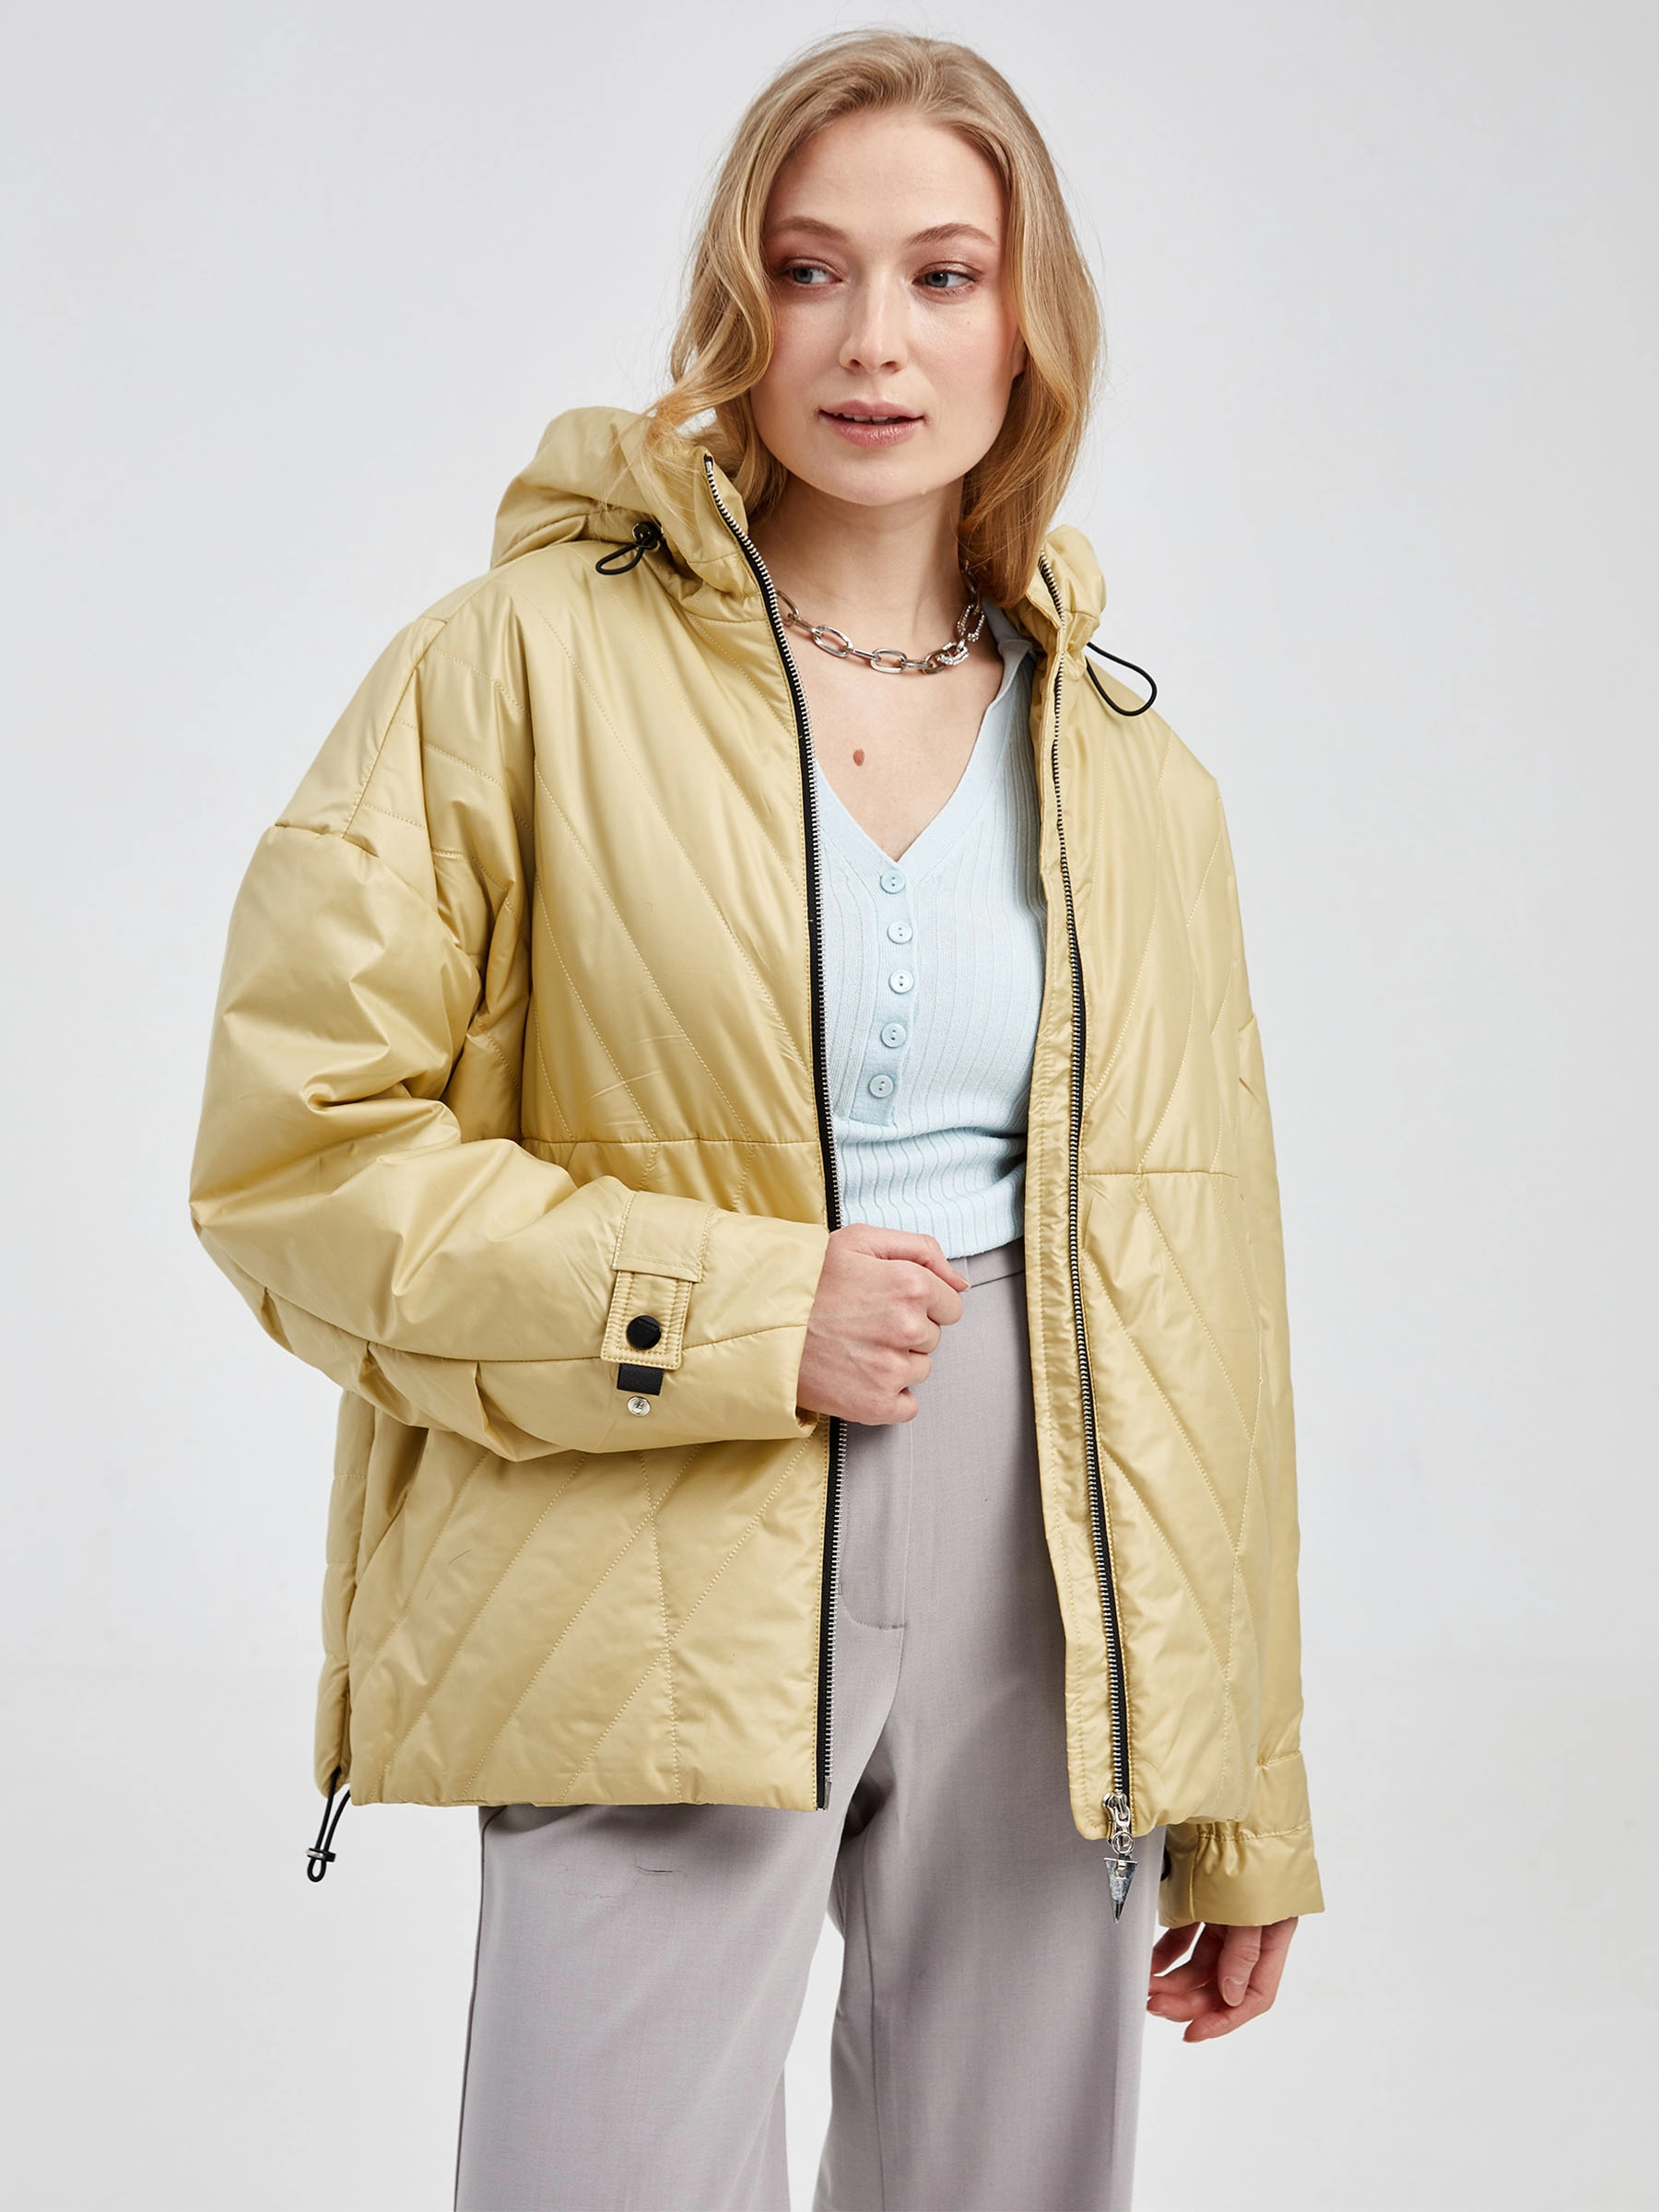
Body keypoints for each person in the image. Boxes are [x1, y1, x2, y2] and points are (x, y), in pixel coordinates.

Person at [189, 28, 1322, 2211]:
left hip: (1058, 1556)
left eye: (943, 275)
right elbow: (292, 1153)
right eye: (810, 271)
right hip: (647, 1523)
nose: (874, 340)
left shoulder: (1130, 774)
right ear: (738, 304)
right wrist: (731, 1315)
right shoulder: (518, 666)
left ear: (1027, 323)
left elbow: (1209, 1297)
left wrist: (1244, 1782)